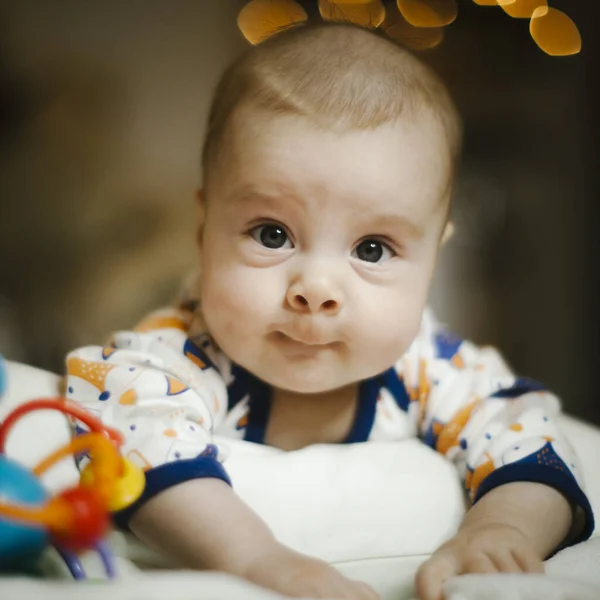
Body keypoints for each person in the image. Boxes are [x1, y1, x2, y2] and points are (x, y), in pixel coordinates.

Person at [64, 23, 594, 600]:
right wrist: (261, 561)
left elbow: (531, 438)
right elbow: (132, 441)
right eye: (271, 234)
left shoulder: (428, 366)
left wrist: (502, 528)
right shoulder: (173, 359)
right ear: (203, 228)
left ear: (432, 262)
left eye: (372, 249)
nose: (316, 288)